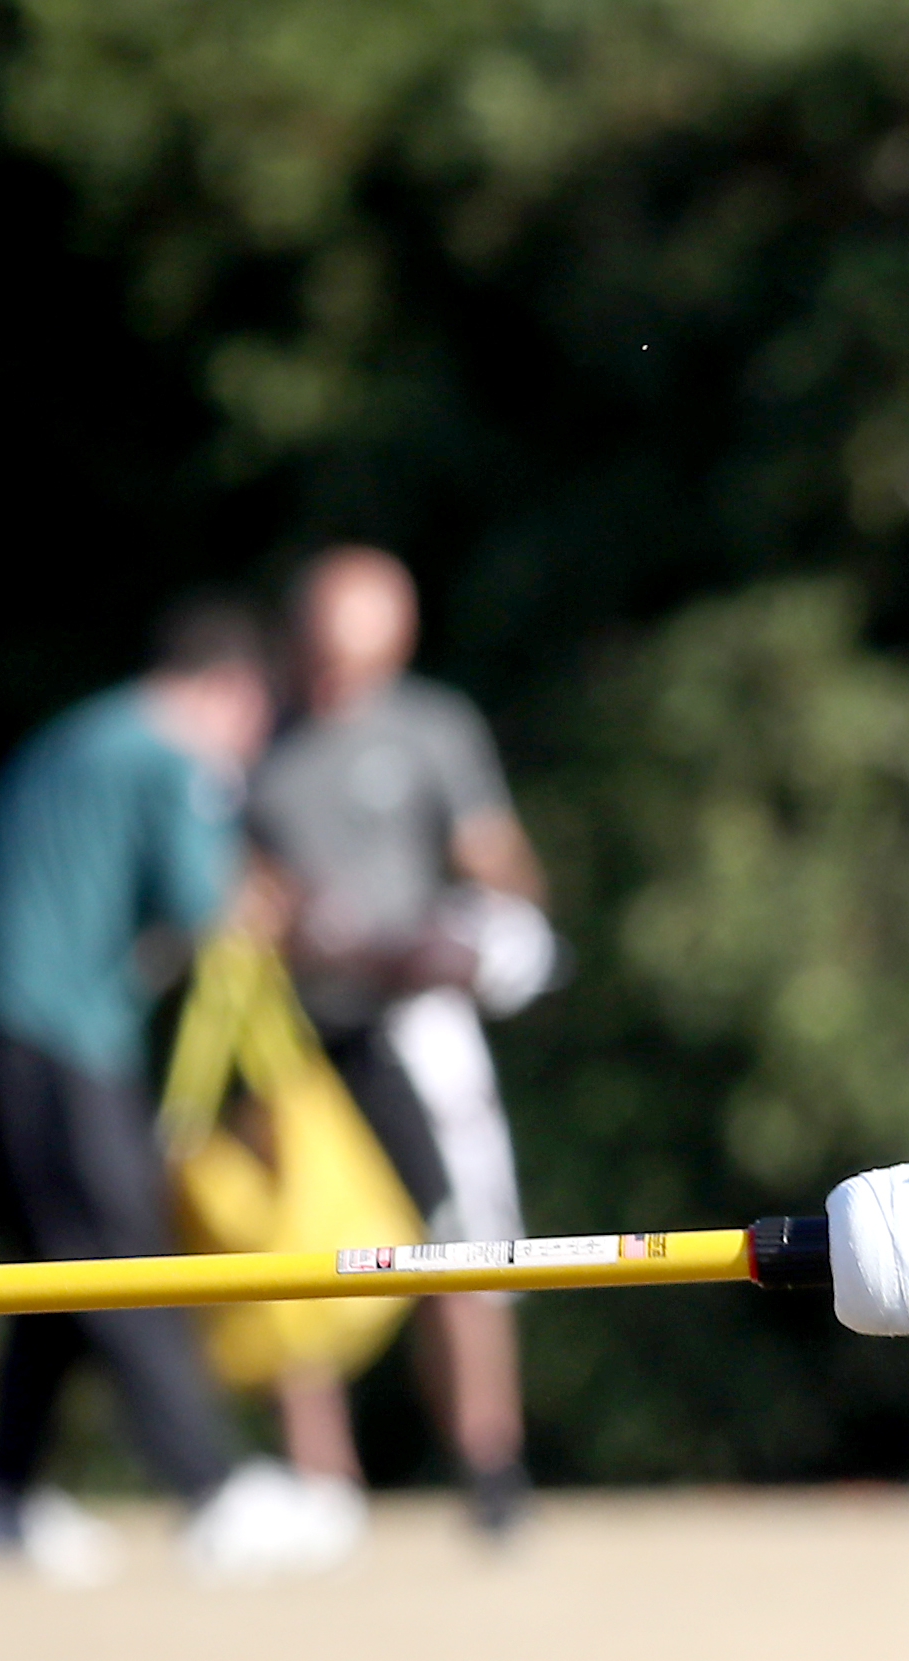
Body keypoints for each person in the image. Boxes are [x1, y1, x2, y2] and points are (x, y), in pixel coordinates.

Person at [0, 598, 364, 1585]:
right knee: (122, 1247)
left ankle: (2, 1496)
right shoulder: (173, 755)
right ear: (230, 691)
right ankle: (214, 1493)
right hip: (50, 1027)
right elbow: (211, 910)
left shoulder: (87, 734)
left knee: (55, 1256)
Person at [248, 545, 560, 1536]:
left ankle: (489, 1460)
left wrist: (493, 927)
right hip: (291, 1027)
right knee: (286, 1242)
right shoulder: (257, 736)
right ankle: (320, 1480)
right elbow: (233, 881)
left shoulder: (431, 727)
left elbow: (494, 858)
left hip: (415, 1022)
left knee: (460, 1234)